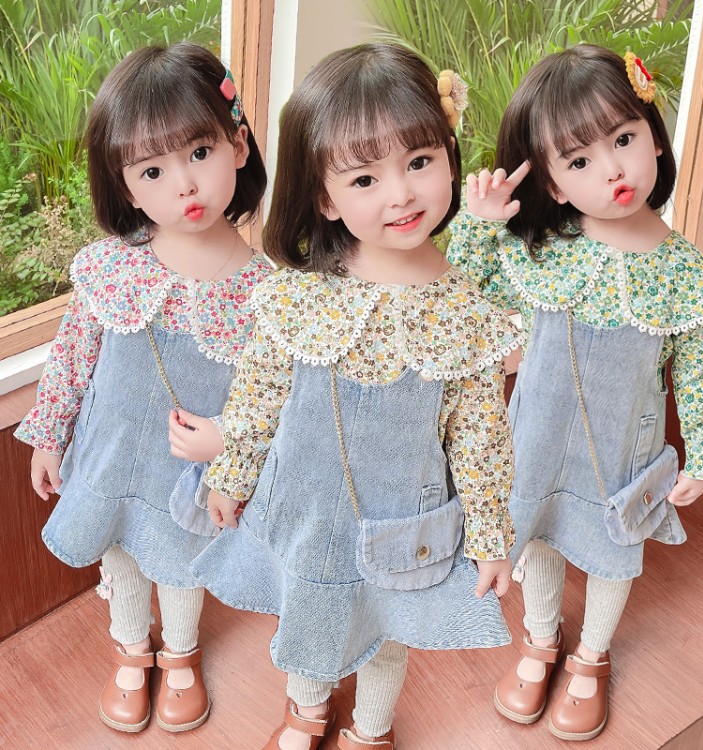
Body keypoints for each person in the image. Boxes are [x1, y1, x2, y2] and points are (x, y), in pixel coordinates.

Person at [190, 43, 521, 750]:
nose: (400, 194)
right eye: (365, 178)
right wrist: (232, 472)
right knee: (311, 614)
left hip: (406, 518)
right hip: (310, 509)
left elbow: (482, 438)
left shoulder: (467, 311)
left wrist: (492, 536)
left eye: (419, 161)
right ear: (323, 196)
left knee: (389, 630)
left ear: (450, 157)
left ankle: (371, 731)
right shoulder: (300, 294)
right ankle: (306, 711)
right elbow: (258, 393)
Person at [447, 44, 703, 741]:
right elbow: (461, 296)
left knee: (613, 551)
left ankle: (592, 654)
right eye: (578, 162)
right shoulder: (541, 253)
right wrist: (480, 223)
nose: (612, 170)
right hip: (538, 441)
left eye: (624, 140)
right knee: (541, 536)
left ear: (654, 136)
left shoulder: (686, 273)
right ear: (550, 184)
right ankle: (541, 638)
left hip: (623, 454)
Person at [15, 43, 271, 734]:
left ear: (238, 146)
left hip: (191, 471)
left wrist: (235, 463)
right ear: (128, 188)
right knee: (122, 554)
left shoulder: (265, 291)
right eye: (152, 170)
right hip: (113, 454)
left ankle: (180, 652)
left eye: (199, 153)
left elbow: (267, 399)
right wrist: (49, 436)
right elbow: (72, 355)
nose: (183, 185)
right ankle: (132, 649)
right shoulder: (110, 267)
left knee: (183, 558)